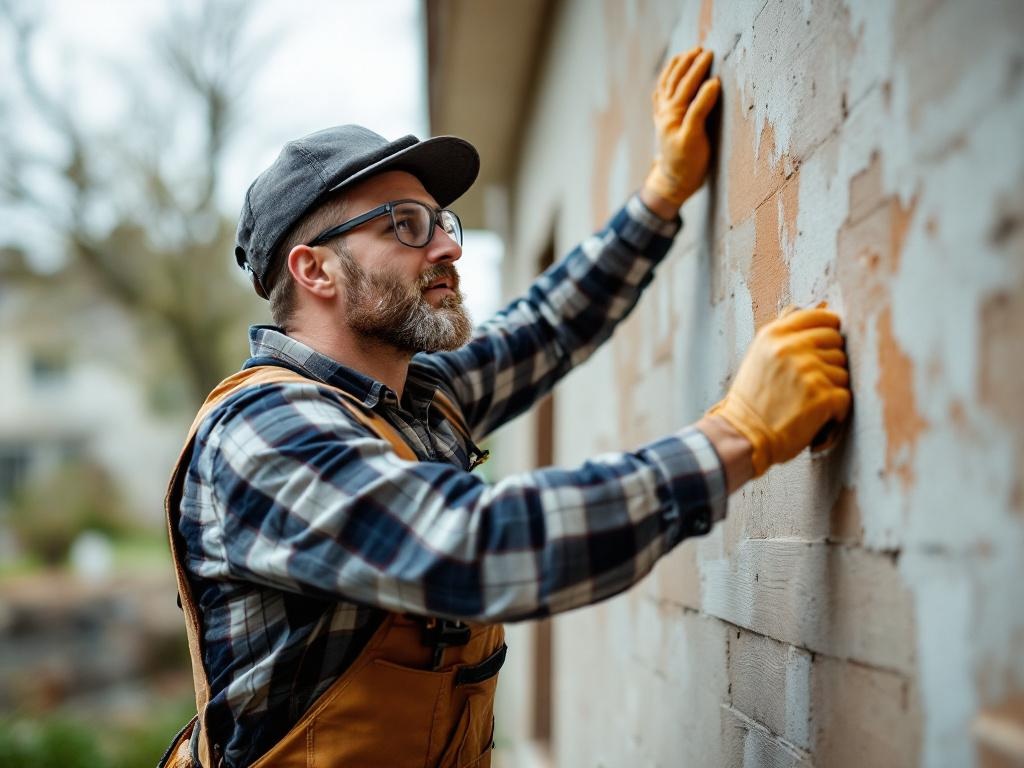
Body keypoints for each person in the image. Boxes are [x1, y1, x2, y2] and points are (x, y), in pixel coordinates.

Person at [160, 47, 850, 768]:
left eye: (441, 222)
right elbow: (474, 548)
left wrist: (663, 196)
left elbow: (543, 329)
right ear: (315, 270)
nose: (445, 248)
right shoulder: (264, 433)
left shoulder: (412, 401)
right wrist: (736, 437)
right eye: (403, 224)